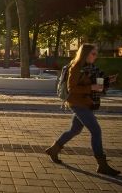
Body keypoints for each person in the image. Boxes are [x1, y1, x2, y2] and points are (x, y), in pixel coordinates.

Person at [45, 44, 120, 176]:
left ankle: (54, 149)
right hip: (78, 103)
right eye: (93, 54)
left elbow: (96, 85)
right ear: (85, 54)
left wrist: (107, 81)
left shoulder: (91, 68)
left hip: (87, 103)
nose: (95, 56)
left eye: (96, 54)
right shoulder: (76, 68)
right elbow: (71, 88)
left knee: (75, 130)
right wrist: (91, 88)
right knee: (96, 131)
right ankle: (102, 165)